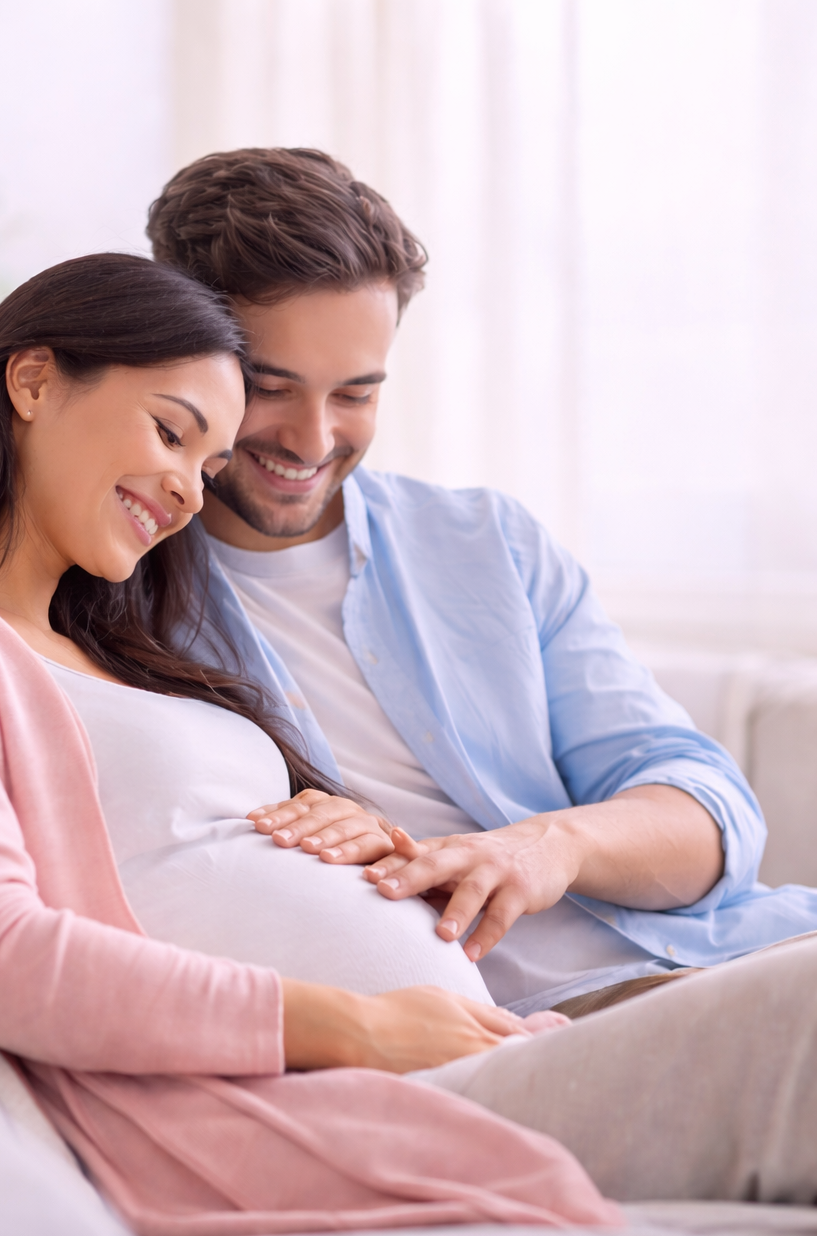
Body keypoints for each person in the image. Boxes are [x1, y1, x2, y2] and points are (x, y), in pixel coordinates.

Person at [0, 252, 817, 1236]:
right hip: (377, 1090)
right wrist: (357, 1024)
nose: (189, 493)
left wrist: (361, 833)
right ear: (30, 381)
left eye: (205, 466)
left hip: (485, 1041)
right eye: (170, 432)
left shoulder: (120, 637)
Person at [146, 147, 817, 1018]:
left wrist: (549, 846)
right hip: (548, 1028)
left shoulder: (484, 542)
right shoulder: (113, 596)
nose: (314, 441)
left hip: (743, 954)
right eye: (272, 388)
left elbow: (710, 813)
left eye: (357, 393)